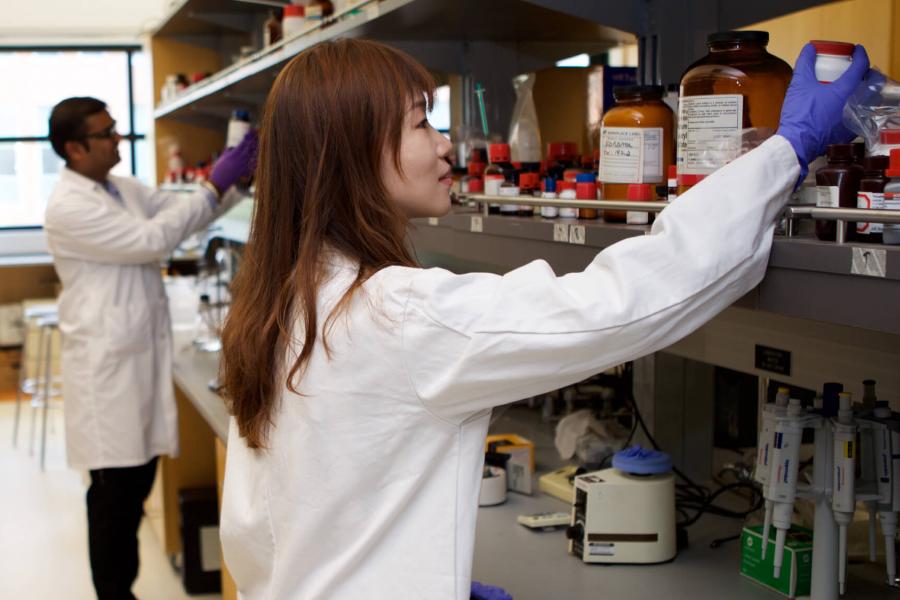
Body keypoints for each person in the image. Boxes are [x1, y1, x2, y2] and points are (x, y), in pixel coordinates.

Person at [219, 40, 869, 599]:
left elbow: (253, 530)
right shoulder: (396, 314)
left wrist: (400, 576)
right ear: (354, 153)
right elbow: (625, 303)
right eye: (423, 124)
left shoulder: (287, 304)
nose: (448, 146)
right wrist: (787, 149)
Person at [43, 96, 257, 599]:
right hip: (106, 369)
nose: (119, 139)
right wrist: (212, 181)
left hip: (134, 357)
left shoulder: (119, 187)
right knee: (114, 497)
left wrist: (230, 181)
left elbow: (181, 213)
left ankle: (122, 590)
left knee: (135, 481)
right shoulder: (69, 206)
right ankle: (115, 594)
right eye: (106, 133)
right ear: (74, 148)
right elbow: (152, 239)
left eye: (116, 128)